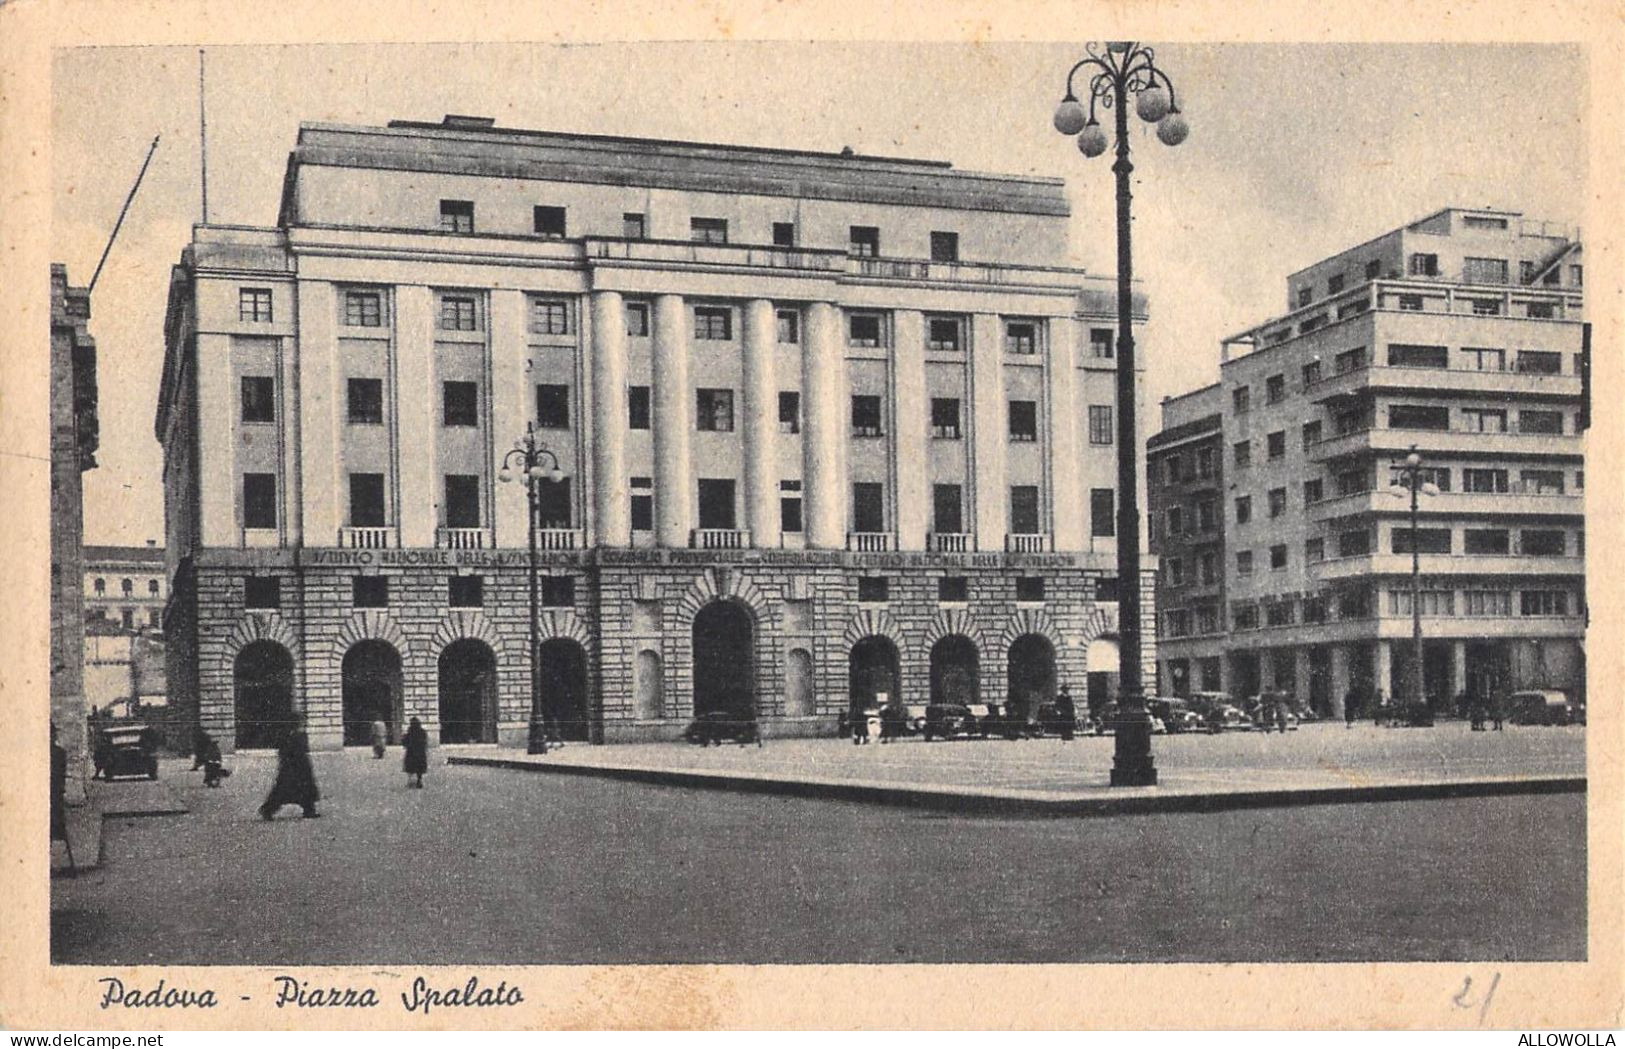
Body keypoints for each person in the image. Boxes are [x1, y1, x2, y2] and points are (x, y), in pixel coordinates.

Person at [259, 724, 320, 819]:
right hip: (293, 760)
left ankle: (309, 809)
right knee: (285, 787)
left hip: (298, 759)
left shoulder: (296, 728)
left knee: (304, 785)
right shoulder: (289, 729)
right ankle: (268, 809)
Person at [403, 717, 428, 788]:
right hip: (420, 753)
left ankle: (411, 782)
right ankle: (419, 781)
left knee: (410, 768)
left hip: (411, 752)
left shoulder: (410, 731)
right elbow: (425, 741)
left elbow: (405, 741)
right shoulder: (422, 731)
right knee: (419, 768)